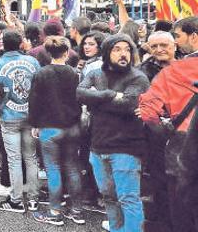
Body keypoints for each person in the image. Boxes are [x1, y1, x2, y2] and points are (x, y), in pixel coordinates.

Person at [77, 34, 149, 232]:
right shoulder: (96, 73)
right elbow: (80, 93)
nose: (123, 53)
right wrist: (109, 95)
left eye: (127, 49)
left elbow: (128, 105)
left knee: (128, 198)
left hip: (126, 148)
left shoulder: (138, 77)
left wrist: (96, 101)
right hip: (98, 146)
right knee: (108, 196)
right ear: (107, 52)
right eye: (117, 49)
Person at [138, 26, 198, 231]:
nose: (159, 49)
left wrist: (164, 126)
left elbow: (147, 111)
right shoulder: (147, 69)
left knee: (181, 202)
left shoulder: (172, 72)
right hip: (182, 141)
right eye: (154, 46)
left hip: (183, 143)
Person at [28, 36, 85, 226]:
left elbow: (34, 102)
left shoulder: (41, 73)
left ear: (48, 53)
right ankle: (77, 211)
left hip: (50, 128)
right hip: (72, 126)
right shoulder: (74, 73)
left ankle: (55, 212)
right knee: (72, 167)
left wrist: (34, 124)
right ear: (66, 53)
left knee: (53, 169)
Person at [0, 29, 41, 214]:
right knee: (31, 158)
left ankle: (17, 201)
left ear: (3, 44)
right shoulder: (33, 62)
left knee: (14, 160)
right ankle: (34, 199)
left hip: (9, 117)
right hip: (31, 115)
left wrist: (1, 94)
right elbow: (39, 86)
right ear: (20, 44)